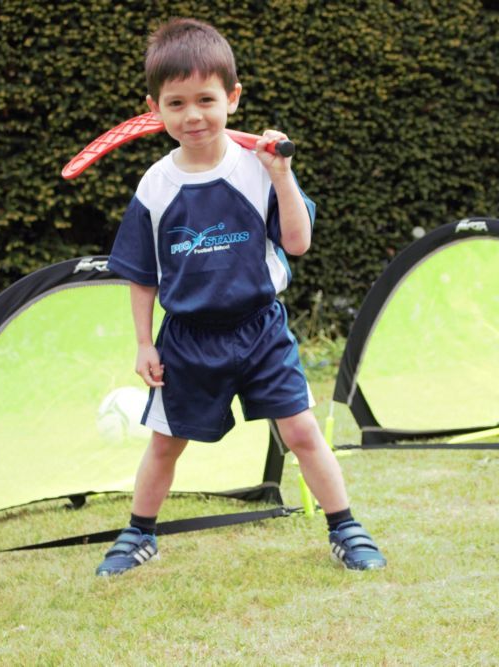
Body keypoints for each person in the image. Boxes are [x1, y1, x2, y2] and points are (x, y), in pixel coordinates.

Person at [96, 18, 386, 575]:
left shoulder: (259, 169)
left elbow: (297, 244)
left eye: (206, 99)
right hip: (186, 340)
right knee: (164, 444)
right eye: (176, 103)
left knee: (301, 430)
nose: (193, 115)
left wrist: (282, 175)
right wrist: (142, 343)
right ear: (154, 109)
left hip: (260, 330)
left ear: (233, 98)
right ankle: (138, 535)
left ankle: (345, 527)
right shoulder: (155, 185)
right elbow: (141, 274)